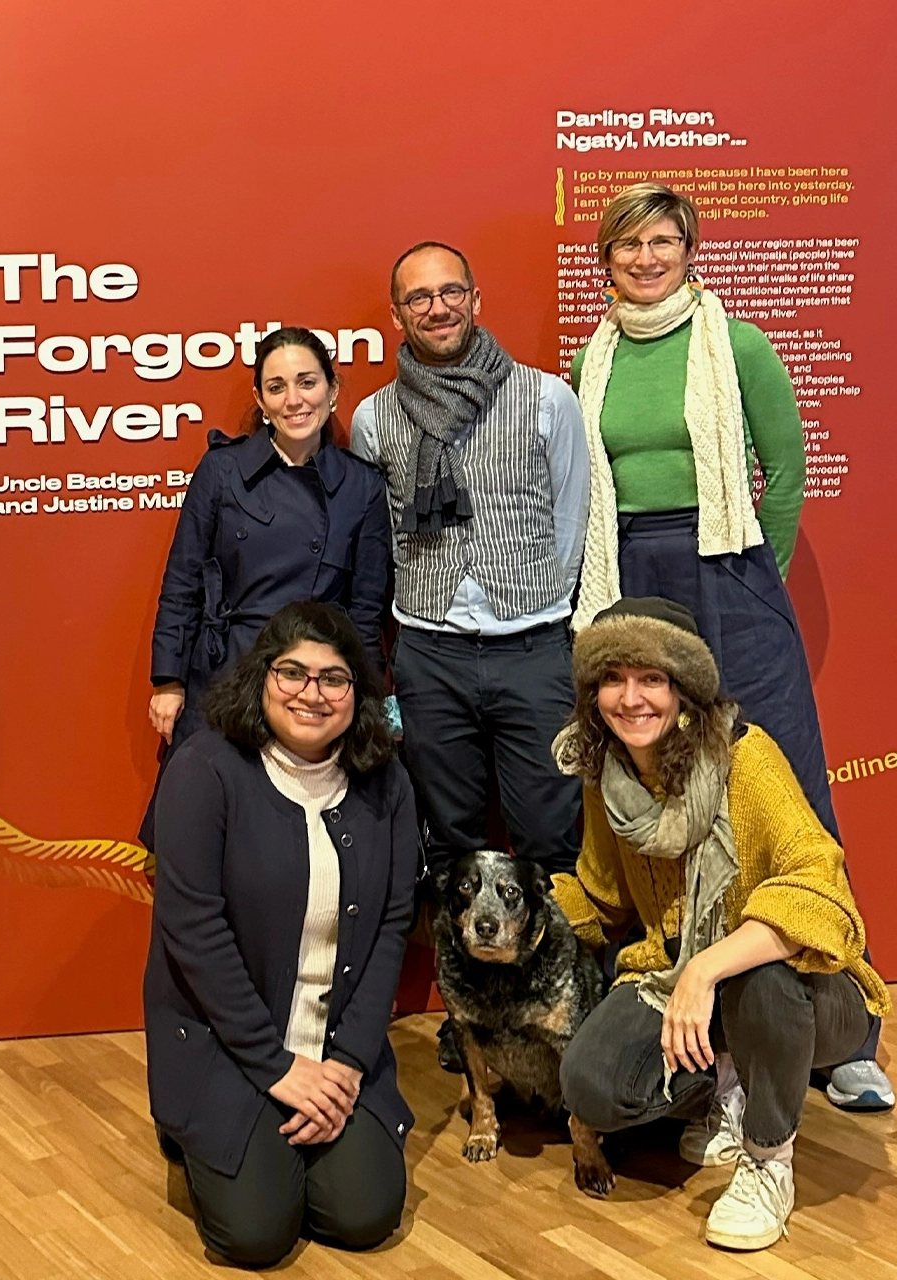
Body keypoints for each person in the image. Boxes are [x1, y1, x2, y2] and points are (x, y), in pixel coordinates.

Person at [569, 182, 892, 1110]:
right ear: (607, 256)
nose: (645, 258)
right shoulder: (587, 361)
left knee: (790, 789)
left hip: (727, 565)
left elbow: (782, 473)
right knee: (652, 777)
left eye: (662, 240)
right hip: (632, 571)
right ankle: (701, 999)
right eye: (627, 244)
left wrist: (754, 577)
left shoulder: (737, 344)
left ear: (689, 247)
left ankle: (848, 1033)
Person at [553, 597, 889, 1251]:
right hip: (675, 977)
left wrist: (706, 967)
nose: (631, 698)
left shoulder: (746, 761)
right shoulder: (609, 776)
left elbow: (818, 888)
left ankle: (769, 1159)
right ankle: (727, 1082)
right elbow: (603, 895)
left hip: (810, 993)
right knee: (591, 1086)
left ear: (686, 688)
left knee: (760, 981)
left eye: (652, 678)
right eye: (613, 679)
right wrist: (533, 908)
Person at [349, 241, 589, 1072]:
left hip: (533, 648)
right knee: (448, 845)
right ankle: (472, 1015)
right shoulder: (375, 419)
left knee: (552, 837)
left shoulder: (546, 399)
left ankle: (567, 1011)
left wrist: (537, 606)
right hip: (429, 652)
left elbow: (573, 521)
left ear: (477, 299)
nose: (438, 308)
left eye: (452, 292)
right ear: (397, 316)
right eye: (419, 298)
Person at [146, 601, 420, 1268]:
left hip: (334, 1050)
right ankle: (195, 1135)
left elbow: (391, 926)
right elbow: (194, 933)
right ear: (261, 678)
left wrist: (349, 1065)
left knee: (365, 1214)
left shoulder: (386, 781)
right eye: (292, 673)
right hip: (229, 1043)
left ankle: (284, 1142)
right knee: (256, 1235)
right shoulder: (204, 770)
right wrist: (278, 1068)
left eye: (334, 678)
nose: (312, 693)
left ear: (358, 691)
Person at [148, 327, 391, 751]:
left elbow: (365, 615)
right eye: (277, 387)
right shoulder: (222, 470)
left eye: (307, 382)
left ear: (332, 390)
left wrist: (369, 703)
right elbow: (183, 581)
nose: (293, 400)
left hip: (311, 691)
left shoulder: (362, 485)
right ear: (261, 401)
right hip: (226, 674)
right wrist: (168, 681)